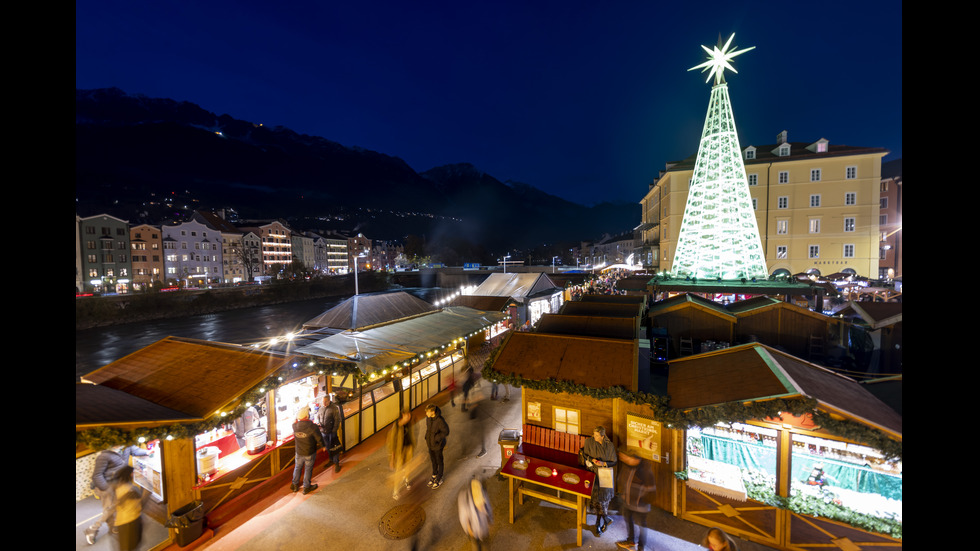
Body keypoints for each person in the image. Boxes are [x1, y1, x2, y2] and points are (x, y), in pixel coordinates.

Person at [85, 444, 149, 545]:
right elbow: (97, 476)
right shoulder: (103, 456)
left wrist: (148, 452)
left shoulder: (126, 447)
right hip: (106, 486)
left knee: (115, 507)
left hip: (119, 484)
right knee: (109, 510)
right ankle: (92, 529)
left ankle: (113, 527)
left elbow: (136, 451)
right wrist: (108, 490)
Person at [579, 425, 617, 536]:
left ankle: (598, 524)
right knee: (596, 501)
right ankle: (605, 520)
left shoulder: (609, 446)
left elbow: (613, 461)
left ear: (602, 436)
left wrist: (603, 463)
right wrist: (592, 460)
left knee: (603, 501)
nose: (594, 437)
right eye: (594, 434)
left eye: (596, 435)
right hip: (593, 473)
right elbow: (585, 455)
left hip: (605, 474)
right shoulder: (589, 442)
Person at [616, 450, 656, 551]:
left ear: (635, 459)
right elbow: (625, 481)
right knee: (628, 520)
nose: (624, 459)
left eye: (626, 457)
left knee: (642, 525)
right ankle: (630, 541)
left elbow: (651, 491)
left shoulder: (645, 471)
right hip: (629, 502)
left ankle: (641, 547)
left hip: (641, 505)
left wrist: (641, 500)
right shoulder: (629, 467)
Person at [113, 465, 149, 551]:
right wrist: (146, 485)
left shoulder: (119, 486)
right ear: (130, 474)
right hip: (130, 522)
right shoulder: (130, 490)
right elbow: (142, 503)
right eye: (133, 472)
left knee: (127, 547)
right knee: (132, 547)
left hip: (122, 522)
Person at [290, 407, 325, 494]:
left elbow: (294, 422)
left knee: (297, 467)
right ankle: (306, 487)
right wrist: (323, 446)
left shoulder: (294, 426)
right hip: (309, 451)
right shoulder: (312, 427)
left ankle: (295, 485)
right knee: (308, 469)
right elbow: (319, 438)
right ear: (307, 416)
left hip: (299, 451)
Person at [457, 477, 493, 551]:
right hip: (473, 530)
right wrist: (469, 529)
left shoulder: (483, 495)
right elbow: (463, 516)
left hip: (483, 529)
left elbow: (488, 508)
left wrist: (489, 520)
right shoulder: (464, 498)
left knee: (486, 544)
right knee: (476, 546)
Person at [387, 410, 416, 499]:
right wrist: (392, 459)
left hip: (408, 448)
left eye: (410, 416)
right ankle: (395, 491)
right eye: (407, 416)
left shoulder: (408, 424)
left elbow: (411, 435)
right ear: (402, 415)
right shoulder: (395, 428)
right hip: (400, 452)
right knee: (398, 471)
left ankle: (406, 479)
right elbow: (392, 444)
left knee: (407, 466)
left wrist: (412, 445)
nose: (409, 418)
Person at [424, 403, 450, 489]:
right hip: (430, 444)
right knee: (433, 460)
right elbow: (428, 429)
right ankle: (434, 474)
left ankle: (439, 478)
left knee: (439, 461)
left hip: (437, 445)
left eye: (427, 412)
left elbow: (446, 431)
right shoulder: (428, 419)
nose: (426, 414)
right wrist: (427, 436)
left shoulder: (440, 420)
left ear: (433, 412)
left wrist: (437, 438)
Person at [317, 393, 344, 472]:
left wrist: (334, 430)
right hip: (323, 431)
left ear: (329, 401)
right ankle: (331, 460)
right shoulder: (321, 408)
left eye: (325, 401)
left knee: (334, 447)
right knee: (328, 447)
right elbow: (318, 417)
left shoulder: (334, 408)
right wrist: (319, 424)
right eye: (323, 401)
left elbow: (337, 420)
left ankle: (336, 463)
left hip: (331, 432)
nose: (324, 403)